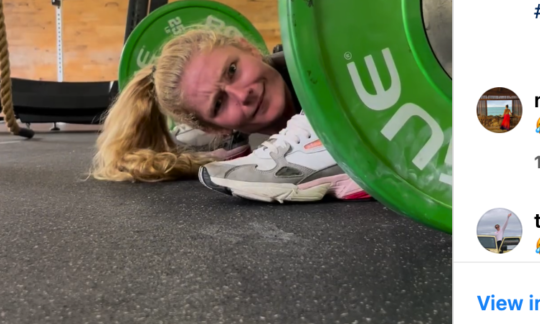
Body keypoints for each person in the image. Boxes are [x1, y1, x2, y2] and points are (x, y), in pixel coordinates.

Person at [90, 26, 370, 203]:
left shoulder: (338, 55)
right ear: (217, 130)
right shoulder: (236, 154)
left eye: (232, 70)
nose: (242, 94)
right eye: (219, 103)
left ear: (248, 48)